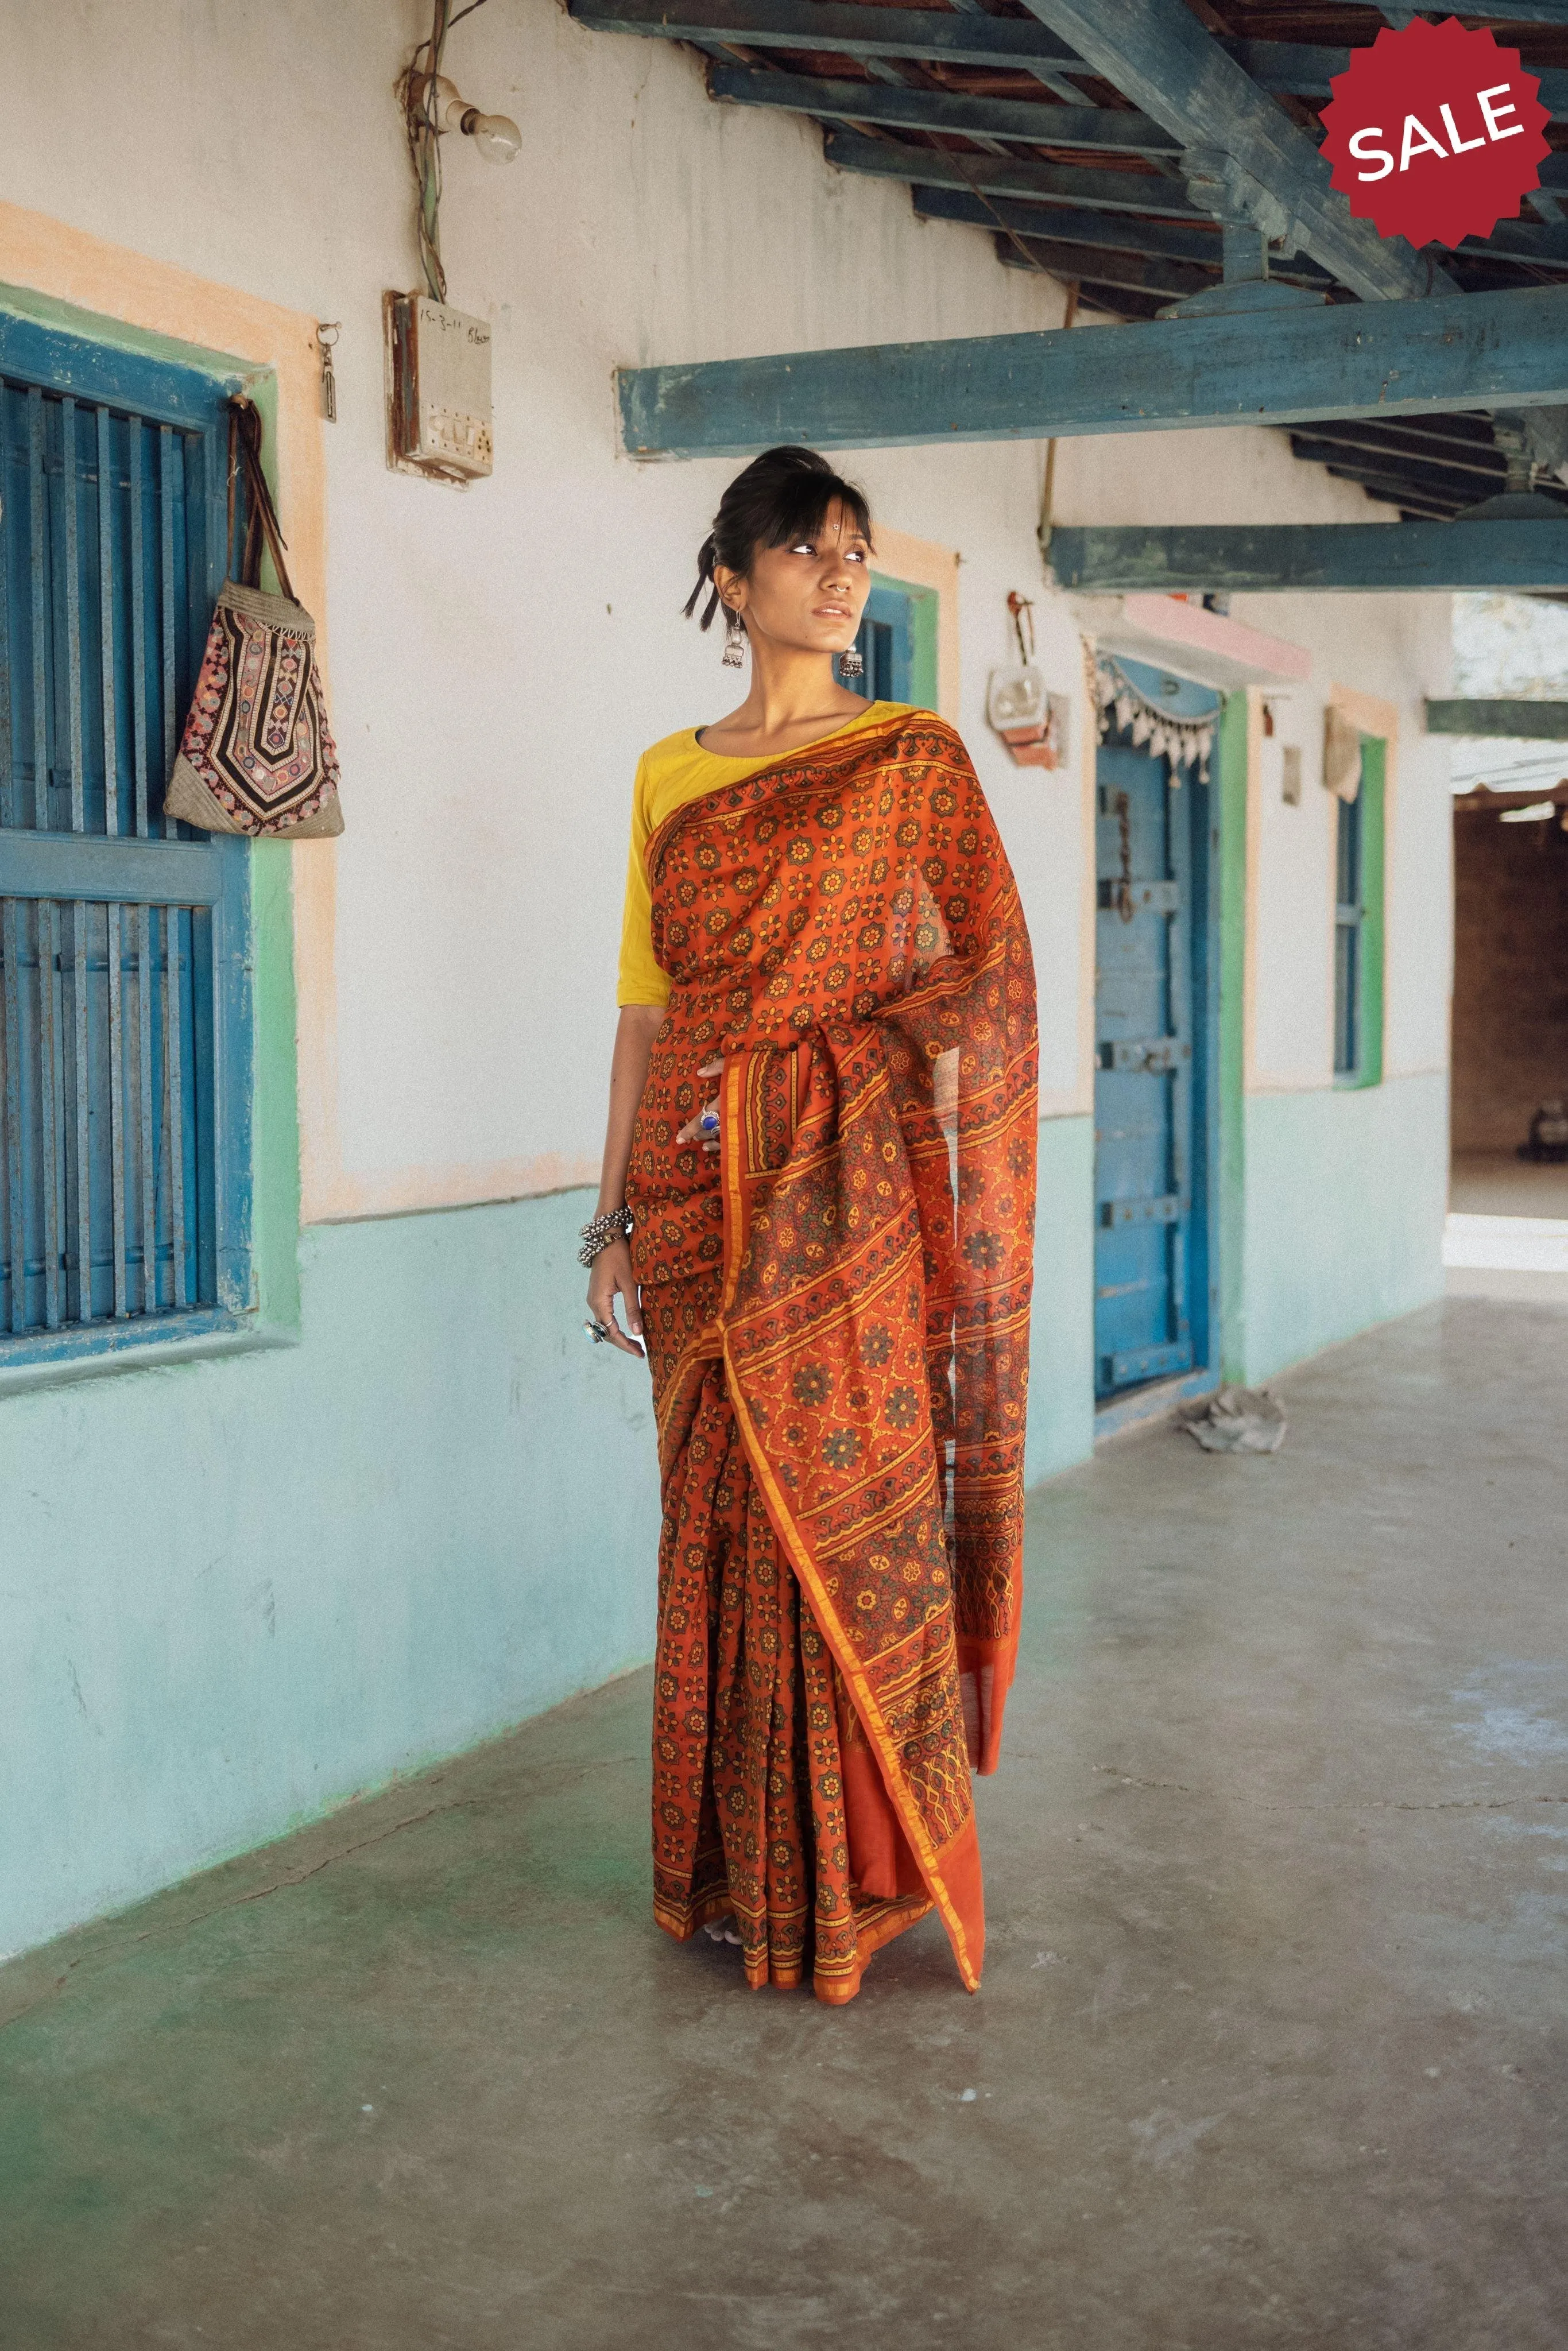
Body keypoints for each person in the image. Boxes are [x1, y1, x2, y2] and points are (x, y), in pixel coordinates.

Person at [583, 447, 1037, 2004]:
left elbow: (982, 977)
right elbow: (648, 1014)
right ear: (734, 575)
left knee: (849, 1528)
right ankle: (731, 1873)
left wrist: (845, 1079)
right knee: (716, 1537)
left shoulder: (910, 760)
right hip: (692, 1207)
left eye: (856, 552)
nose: (845, 576)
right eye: (810, 550)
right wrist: (607, 1223)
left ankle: (854, 1878)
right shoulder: (668, 773)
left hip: (838, 1212)